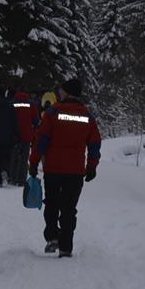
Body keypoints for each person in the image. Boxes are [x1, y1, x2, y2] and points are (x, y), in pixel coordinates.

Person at [28, 78, 102, 258]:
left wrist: (34, 162)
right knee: (69, 208)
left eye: (61, 90)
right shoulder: (87, 116)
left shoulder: (53, 112)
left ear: (67, 93)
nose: (59, 93)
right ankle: (66, 247)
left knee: (52, 204)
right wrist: (91, 166)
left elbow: (41, 140)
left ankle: (52, 237)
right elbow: (94, 143)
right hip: (75, 171)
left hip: (53, 169)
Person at [8, 87, 40, 185]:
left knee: (13, 156)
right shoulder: (31, 104)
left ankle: (12, 177)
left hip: (13, 135)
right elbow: (36, 120)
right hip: (26, 134)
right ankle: (21, 179)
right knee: (24, 157)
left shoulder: (11, 103)